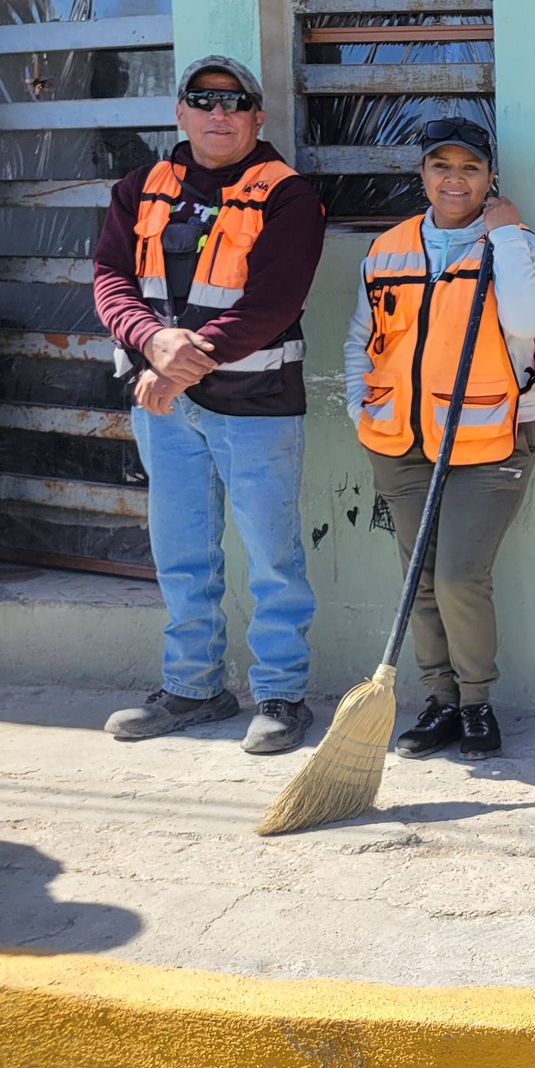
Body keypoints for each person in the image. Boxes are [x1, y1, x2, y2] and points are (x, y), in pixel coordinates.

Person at [93, 57, 326, 754]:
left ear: (257, 116)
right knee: (182, 555)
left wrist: (176, 365)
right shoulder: (139, 188)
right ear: (180, 113)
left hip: (257, 404)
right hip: (164, 407)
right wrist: (152, 342)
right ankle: (193, 688)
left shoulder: (288, 195)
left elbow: (273, 303)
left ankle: (281, 696)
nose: (217, 113)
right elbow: (110, 279)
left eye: (233, 102)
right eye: (202, 100)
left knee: (272, 557)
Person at [348, 120, 535, 760]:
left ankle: (475, 702)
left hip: (490, 442)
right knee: (419, 578)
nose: (455, 179)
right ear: (423, 174)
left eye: (470, 167)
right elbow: (362, 337)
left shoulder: (517, 244)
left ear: (490, 177)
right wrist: (361, 407)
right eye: (442, 166)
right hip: (401, 442)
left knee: (460, 577)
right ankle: (439, 700)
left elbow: (529, 317)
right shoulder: (388, 249)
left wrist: (507, 233)